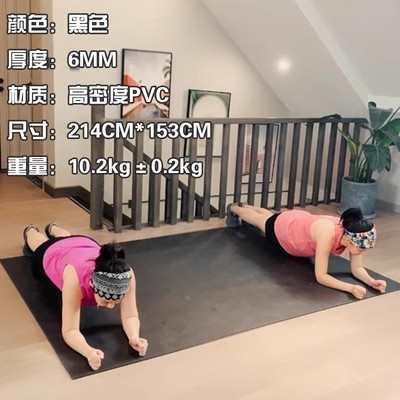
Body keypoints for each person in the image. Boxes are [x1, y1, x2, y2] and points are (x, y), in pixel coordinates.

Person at [22, 223, 148, 371]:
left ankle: (53, 228)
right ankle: (31, 230)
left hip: (82, 243)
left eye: (116, 302)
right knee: (40, 243)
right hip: (51, 253)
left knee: (67, 239)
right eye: (106, 301)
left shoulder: (125, 274)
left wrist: (134, 337)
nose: (110, 306)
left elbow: (130, 315)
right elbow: (70, 331)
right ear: (92, 287)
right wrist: (88, 352)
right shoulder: (74, 279)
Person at [227, 204, 385, 300]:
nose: (363, 252)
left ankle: (249, 206)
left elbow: (357, 269)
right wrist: (351, 288)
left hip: (298, 220)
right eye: (362, 248)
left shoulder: (351, 232)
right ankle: (235, 208)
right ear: (350, 240)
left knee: (269, 217)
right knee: (259, 221)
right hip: (285, 232)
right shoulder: (327, 233)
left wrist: (372, 282)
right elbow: (321, 276)